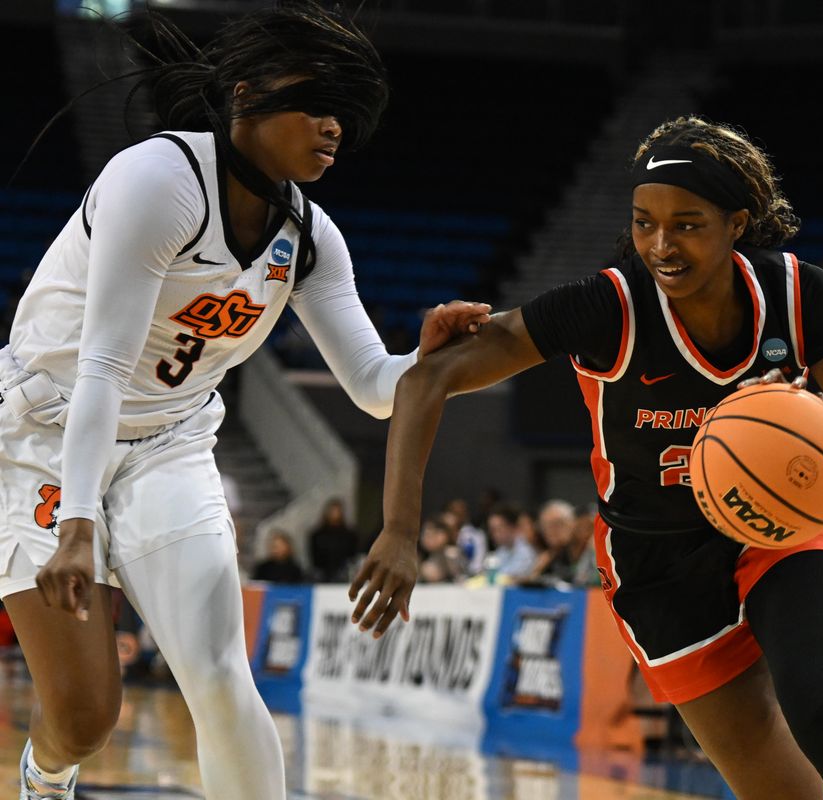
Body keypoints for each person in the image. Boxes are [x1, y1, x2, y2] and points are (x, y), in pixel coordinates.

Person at [0, 5, 488, 799]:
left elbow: (372, 390)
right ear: (246, 93)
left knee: (222, 675)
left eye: (346, 115)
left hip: (170, 443)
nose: (334, 129)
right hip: (46, 433)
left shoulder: (313, 237)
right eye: (316, 104)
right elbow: (101, 367)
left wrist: (426, 357)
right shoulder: (158, 180)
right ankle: (44, 779)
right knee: (86, 717)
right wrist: (78, 523)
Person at [351, 117, 823, 798]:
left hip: (780, 523)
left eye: (687, 224)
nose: (660, 244)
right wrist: (400, 530)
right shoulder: (608, 308)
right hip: (657, 562)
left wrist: (812, 424)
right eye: (645, 223)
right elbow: (425, 379)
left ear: (737, 223)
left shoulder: (799, 295)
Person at [308, 498, 359, 583]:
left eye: (337, 511)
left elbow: (353, 555)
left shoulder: (350, 535)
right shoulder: (317, 535)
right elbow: (314, 557)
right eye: (332, 511)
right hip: (322, 572)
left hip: (343, 571)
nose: (335, 514)